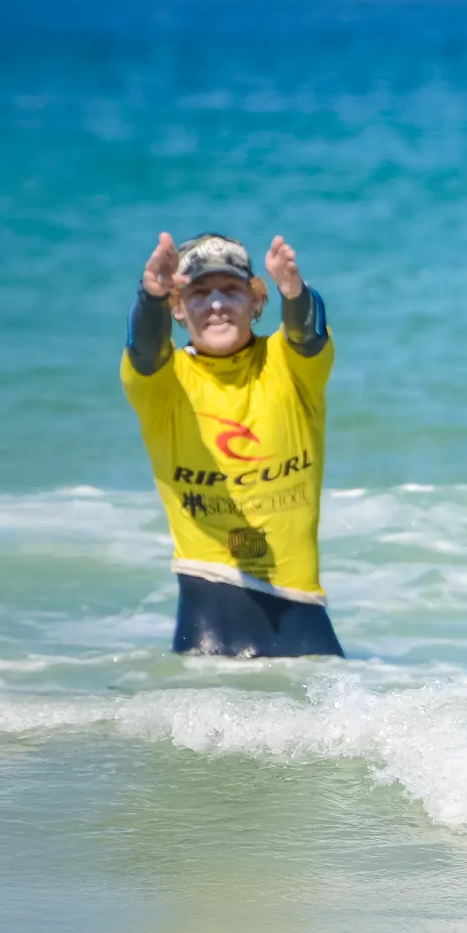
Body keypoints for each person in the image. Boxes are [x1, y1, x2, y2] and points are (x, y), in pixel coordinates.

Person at [120, 231, 342, 659]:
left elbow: (308, 333)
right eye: (199, 293)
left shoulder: (290, 366)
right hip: (209, 622)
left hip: (303, 617)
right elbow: (144, 349)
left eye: (231, 290)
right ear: (178, 308)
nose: (217, 304)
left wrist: (294, 291)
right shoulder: (163, 384)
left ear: (257, 301)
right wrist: (150, 296)